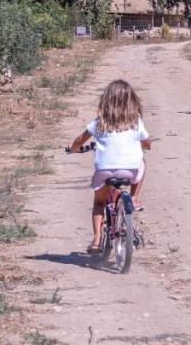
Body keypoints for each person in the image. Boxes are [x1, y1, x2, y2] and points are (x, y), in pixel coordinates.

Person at [68, 80, 151, 254]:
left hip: (104, 171)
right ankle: (134, 197)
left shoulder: (99, 122)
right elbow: (146, 141)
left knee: (99, 202)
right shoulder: (135, 122)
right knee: (142, 162)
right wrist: (145, 145)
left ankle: (97, 240)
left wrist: (73, 149)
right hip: (129, 170)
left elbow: (79, 140)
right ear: (132, 101)